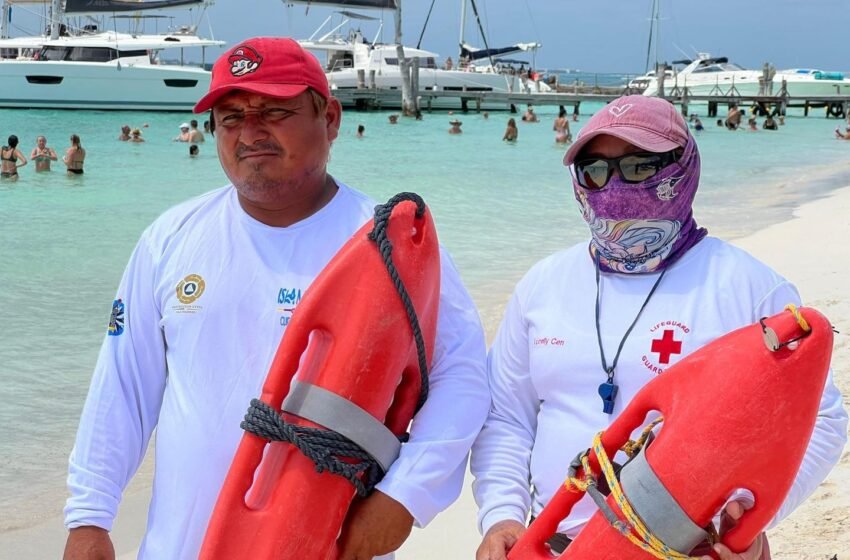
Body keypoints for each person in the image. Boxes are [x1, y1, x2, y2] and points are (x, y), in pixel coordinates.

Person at [62, 36, 489, 560]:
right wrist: (89, 516)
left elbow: (462, 376)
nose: (249, 132)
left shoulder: (387, 247)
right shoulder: (170, 238)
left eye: (273, 111)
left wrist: (403, 498)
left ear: (329, 118)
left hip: (328, 541)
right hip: (182, 546)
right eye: (231, 115)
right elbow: (124, 388)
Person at [471, 95, 847, 560]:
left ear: (683, 167)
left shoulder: (749, 287)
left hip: (688, 549)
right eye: (595, 169)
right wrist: (502, 515)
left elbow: (821, 420)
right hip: (551, 542)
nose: (613, 185)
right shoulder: (542, 285)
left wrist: (747, 521)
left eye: (639, 166)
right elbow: (508, 417)